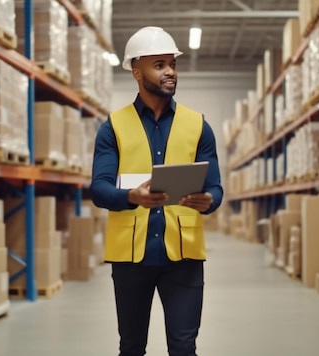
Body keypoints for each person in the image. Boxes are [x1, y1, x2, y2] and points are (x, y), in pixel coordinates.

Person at [90, 26, 223, 356]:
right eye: (160, 64)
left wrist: (208, 201)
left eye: (172, 65)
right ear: (137, 71)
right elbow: (99, 189)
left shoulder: (198, 125)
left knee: (183, 348)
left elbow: (215, 188)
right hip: (131, 259)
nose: (170, 72)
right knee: (132, 347)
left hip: (184, 257)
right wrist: (131, 197)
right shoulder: (113, 127)